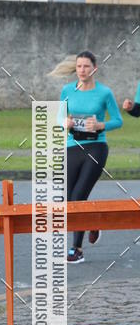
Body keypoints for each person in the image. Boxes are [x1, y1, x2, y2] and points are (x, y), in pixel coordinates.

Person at [54, 50, 122, 263]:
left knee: (78, 197)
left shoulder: (104, 93)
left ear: (94, 69)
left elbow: (118, 120)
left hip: (96, 147)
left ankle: (76, 249)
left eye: (85, 66)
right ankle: (92, 222)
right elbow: (58, 117)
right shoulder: (67, 90)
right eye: (78, 66)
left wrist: (101, 125)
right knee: (69, 199)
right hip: (72, 146)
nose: (81, 70)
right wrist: (65, 123)